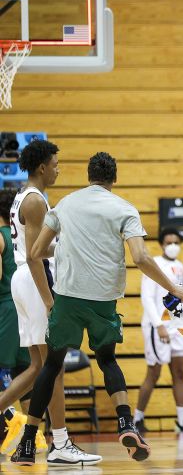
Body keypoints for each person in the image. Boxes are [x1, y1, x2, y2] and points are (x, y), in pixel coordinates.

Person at [7, 152, 183, 465]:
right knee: (107, 360)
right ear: (113, 179)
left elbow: (36, 251)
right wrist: (174, 288)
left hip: (66, 297)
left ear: (88, 176)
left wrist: (70, 244)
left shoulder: (65, 204)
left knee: (51, 365)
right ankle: (125, 422)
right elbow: (142, 258)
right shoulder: (124, 209)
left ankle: (27, 442)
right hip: (103, 300)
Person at [5, 141, 100, 466]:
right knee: (53, 368)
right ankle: (60, 443)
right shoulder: (35, 201)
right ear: (43, 167)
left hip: (24, 281)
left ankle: (55, 441)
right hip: (34, 283)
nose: (59, 169)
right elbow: (35, 255)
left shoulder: (25, 196)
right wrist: (49, 300)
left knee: (36, 368)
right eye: (56, 164)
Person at [0, 188, 47, 456]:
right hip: (26, 302)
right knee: (32, 370)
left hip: (7, 308)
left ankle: (23, 436)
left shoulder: (1, 237)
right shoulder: (18, 238)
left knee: (8, 372)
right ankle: (35, 438)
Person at [134, 227, 183, 433]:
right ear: (161, 244)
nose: (173, 245)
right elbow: (147, 297)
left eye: (177, 241)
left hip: (176, 325)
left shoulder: (180, 266)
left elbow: (180, 300)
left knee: (179, 372)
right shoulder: (155, 263)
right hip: (156, 325)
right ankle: (137, 419)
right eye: (169, 242)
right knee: (154, 373)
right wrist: (158, 325)